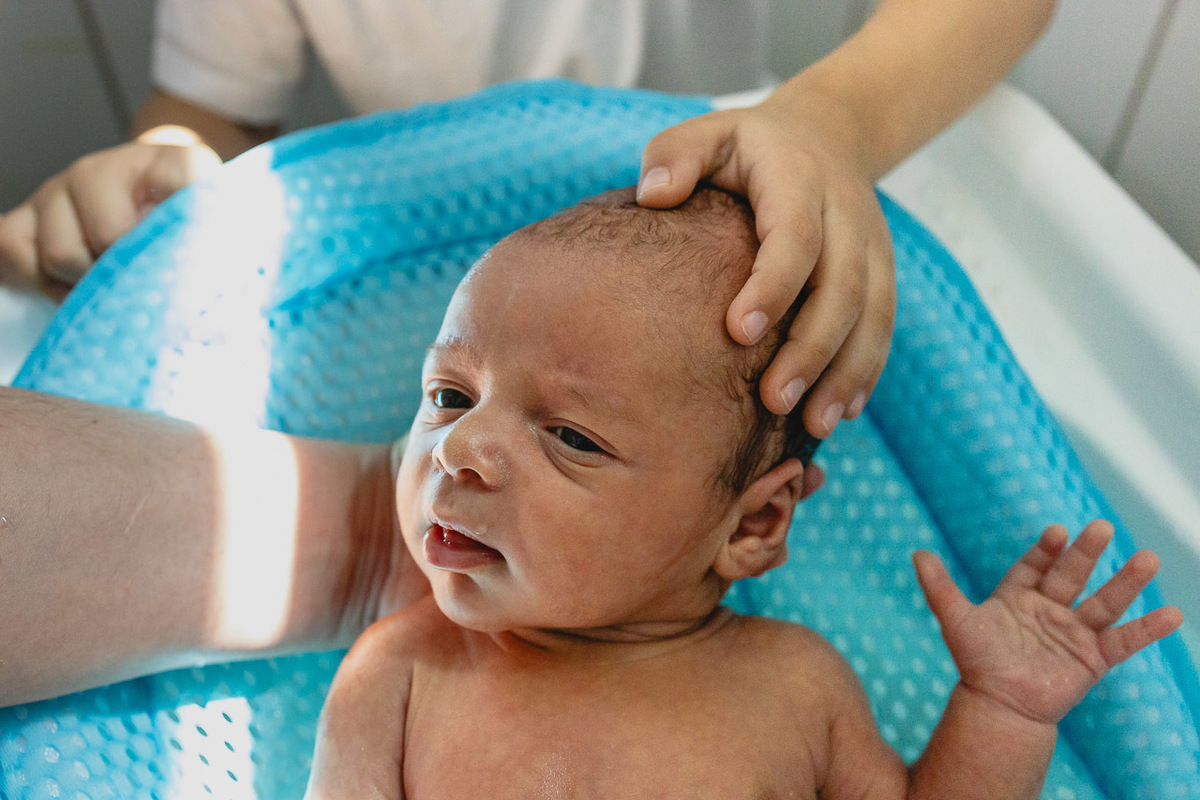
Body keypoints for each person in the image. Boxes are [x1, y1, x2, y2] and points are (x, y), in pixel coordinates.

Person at [299, 186, 1180, 798]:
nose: (461, 449)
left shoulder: (793, 688)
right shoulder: (400, 673)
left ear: (753, 522)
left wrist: (1003, 711)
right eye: (450, 396)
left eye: (570, 437)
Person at [0, 0, 1059, 438]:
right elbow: (213, 112)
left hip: (739, 186)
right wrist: (168, 168)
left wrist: (834, 122)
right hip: (435, 266)